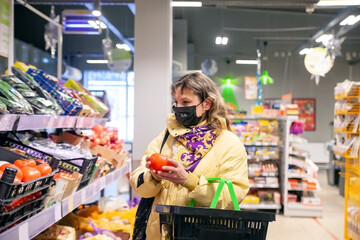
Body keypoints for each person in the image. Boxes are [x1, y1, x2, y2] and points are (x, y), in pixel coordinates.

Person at [130, 72, 249, 239]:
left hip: (202, 233)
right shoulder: (166, 137)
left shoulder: (229, 143)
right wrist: (153, 177)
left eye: (185, 102)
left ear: (207, 104)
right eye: (176, 102)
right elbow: (139, 184)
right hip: (160, 233)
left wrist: (189, 181)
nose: (178, 108)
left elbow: (234, 195)